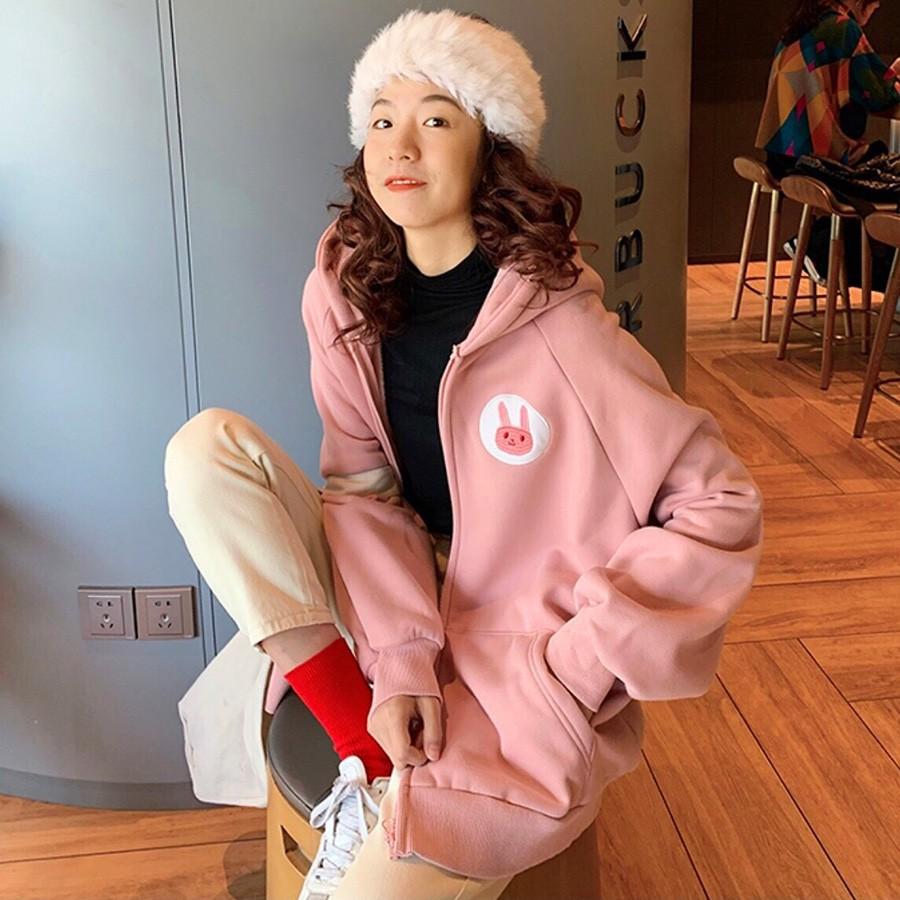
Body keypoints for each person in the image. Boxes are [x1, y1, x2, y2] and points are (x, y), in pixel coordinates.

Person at [164, 9, 764, 899]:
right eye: (382, 120)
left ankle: (405, 789)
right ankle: (366, 751)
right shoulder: (345, 290)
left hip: (515, 621)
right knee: (205, 450)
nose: (400, 146)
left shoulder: (563, 330)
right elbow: (361, 490)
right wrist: (402, 663)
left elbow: (720, 505)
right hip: (388, 583)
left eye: (437, 118)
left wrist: (579, 660)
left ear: (491, 146)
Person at [754, 0, 900, 292]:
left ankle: (818, 244)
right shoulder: (842, 28)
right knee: (890, 179)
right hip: (816, 160)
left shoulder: (805, 22)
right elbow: (877, 96)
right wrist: (893, 81)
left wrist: (886, 80)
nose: (878, 6)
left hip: (783, 156)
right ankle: (819, 247)